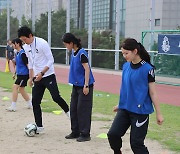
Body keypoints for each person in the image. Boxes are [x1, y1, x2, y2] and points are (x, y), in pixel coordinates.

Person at [107, 38, 164, 154]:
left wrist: (159, 113)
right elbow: (127, 88)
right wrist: (120, 104)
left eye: (126, 53)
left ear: (135, 51)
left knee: (136, 144)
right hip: (125, 109)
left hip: (140, 112)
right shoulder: (126, 67)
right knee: (113, 134)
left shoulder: (148, 69)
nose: (124, 56)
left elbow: (153, 93)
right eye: (122, 53)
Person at [18, 26, 70, 133]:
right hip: (37, 77)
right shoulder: (26, 47)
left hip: (48, 75)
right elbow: (31, 63)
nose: (24, 42)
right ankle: (40, 127)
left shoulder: (42, 43)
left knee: (56, 97)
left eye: (25, 39)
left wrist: (42, 73)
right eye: (22, 40)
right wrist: (30, 77)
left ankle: (69, 114)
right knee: (35, 102)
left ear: (30, 35)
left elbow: (51, 60)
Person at [62, 33, 95, 142]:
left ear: (71, 43)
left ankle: (85, 134)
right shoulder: (73, 52)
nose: (66, 46)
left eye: (66, 44)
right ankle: (75, 131)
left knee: (83, 109)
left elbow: (87, 69)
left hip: (84, 85)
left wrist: (86, 85)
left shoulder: (82, 53)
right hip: (76, 85)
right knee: (74, 108)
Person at [6, 38, 32, 112]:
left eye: (13, 44)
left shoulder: (22, 53)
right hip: (20, 74)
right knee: (21, 89)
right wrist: (14, 73)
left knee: (14, 87)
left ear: (18, 44)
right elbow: (17, 65)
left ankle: (13, 106)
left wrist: (31, 76)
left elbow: (28, 65)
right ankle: (30, 104)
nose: (12, 45)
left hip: (24, 74)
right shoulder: (17, 53)